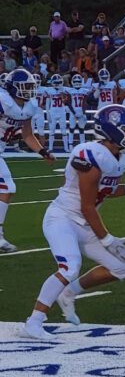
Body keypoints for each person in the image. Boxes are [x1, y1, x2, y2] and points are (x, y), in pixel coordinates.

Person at [20, 105, 125, 340]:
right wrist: (107, 238)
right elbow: (87, 204)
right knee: (70, 266)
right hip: (63, 218)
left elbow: (104, 191)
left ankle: (69, 293)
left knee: (122, 267)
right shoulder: (90, 153)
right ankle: (33, 323)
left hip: (84, 223)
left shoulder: (120, 155)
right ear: (112, 131)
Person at [0, 70, 55, 254]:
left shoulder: (29, 106)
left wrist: (43, 151)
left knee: (7, 189)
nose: (29, 90)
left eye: (30, 86)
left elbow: (27, 134)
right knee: (8, 188)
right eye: (25, 87)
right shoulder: (3, 101)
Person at [66, 74, 91, 147]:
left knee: (81, 128)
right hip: (73, 111)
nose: (77, 83)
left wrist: (83, 113)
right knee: (72, 128)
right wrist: (74, 112)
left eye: (78, 81)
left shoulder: (84, 91)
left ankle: (82, 144)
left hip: (80, 111)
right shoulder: (70, 91)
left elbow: (85, 103)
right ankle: (70, 144)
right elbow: (69, 103)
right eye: (75, 81)